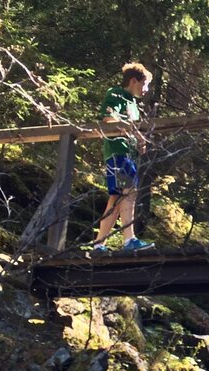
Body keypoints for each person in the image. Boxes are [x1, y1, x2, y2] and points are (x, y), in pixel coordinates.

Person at [92, 62, 154, 252]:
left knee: (117, 197)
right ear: (134, 81)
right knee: (129, 191)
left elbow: (132, 128)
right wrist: (129, 130)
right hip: (118, 151)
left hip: (128, 152)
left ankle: (99, 244)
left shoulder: (133, 103)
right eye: (144, 84)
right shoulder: (116, 94)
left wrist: (139, 141)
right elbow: (107, 118)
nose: (146, 90)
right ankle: (129, 240)